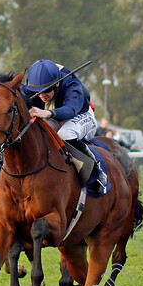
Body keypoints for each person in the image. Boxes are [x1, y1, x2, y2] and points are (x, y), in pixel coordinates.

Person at [21, 59, 106, 189]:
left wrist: (46, 113)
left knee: (65, 134)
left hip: (80, 114)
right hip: (53, 114)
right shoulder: (31, 85)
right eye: (38, 91)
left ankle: (96, 169)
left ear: (57, 83)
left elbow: (71, 110)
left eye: (47, 90)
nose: (42, 95)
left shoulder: (72, 85)